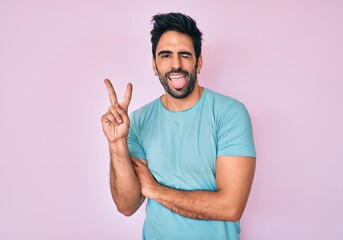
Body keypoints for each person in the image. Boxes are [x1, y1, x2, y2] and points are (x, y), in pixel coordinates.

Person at [101, 12, 256, 240]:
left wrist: (155, 190)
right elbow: (127, 205)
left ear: (198, 62)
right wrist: (116, 143)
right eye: (165, 56)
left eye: (185, 55)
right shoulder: (137, 121)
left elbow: (230, 207)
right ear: (154, 65)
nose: (176, 64)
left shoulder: (230, 113)